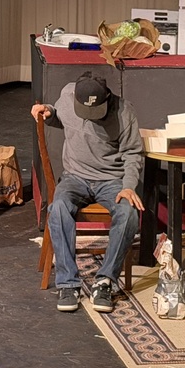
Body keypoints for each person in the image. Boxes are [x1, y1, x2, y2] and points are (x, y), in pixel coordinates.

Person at [31, 72, 144, 313]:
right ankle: (68, 283)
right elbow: (59, 116)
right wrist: (48, 112)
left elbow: (134, 153)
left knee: (129, 213)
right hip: (75, 177)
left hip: (111, 180)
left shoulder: (124, 112)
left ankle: (105, 281)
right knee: (58, 208)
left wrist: (128, 186)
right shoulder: (67, 94)